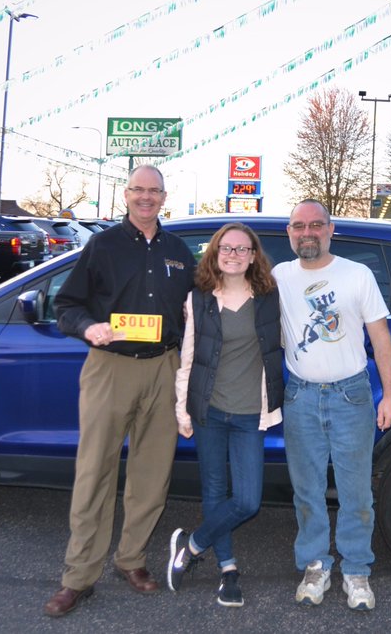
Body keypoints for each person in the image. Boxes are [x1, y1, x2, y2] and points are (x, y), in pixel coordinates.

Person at [42, 165, 195, 618]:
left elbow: (194, 309)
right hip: (110, 367)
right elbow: (67, 304)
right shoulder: (102, 245)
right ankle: (78, 576)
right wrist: (88, 327)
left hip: (164, 368)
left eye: (154, 191)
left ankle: (132, 559)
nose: (146, 198)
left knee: (152, 474)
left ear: (164, 197)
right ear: (126, 195)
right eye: (138, 190)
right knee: (95, 473)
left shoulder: (178, 251)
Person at [272, 199, 391, 612]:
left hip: (351, 395)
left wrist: (390, 395)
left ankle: (357, 569)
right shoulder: (278, 277)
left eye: (316, 225)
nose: (306, 232)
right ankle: (315, 564)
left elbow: (381, 338)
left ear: (330, 230)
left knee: (355, 491)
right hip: (300, 396)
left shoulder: (357, 275)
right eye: (298, 226)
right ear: (289, 233)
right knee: (307, 490)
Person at [166, 223, 284, 607]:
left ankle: (192, 545)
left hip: (251, 414)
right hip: (210, 411)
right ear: (215, 254)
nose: (233, 255)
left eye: (241, 249)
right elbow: (188, 358)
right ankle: (227, 568)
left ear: (253, 256)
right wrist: (182, 410)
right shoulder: (198, 299)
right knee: (215, 492)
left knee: (248, 501)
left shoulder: (269, 297)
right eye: (226, 248)